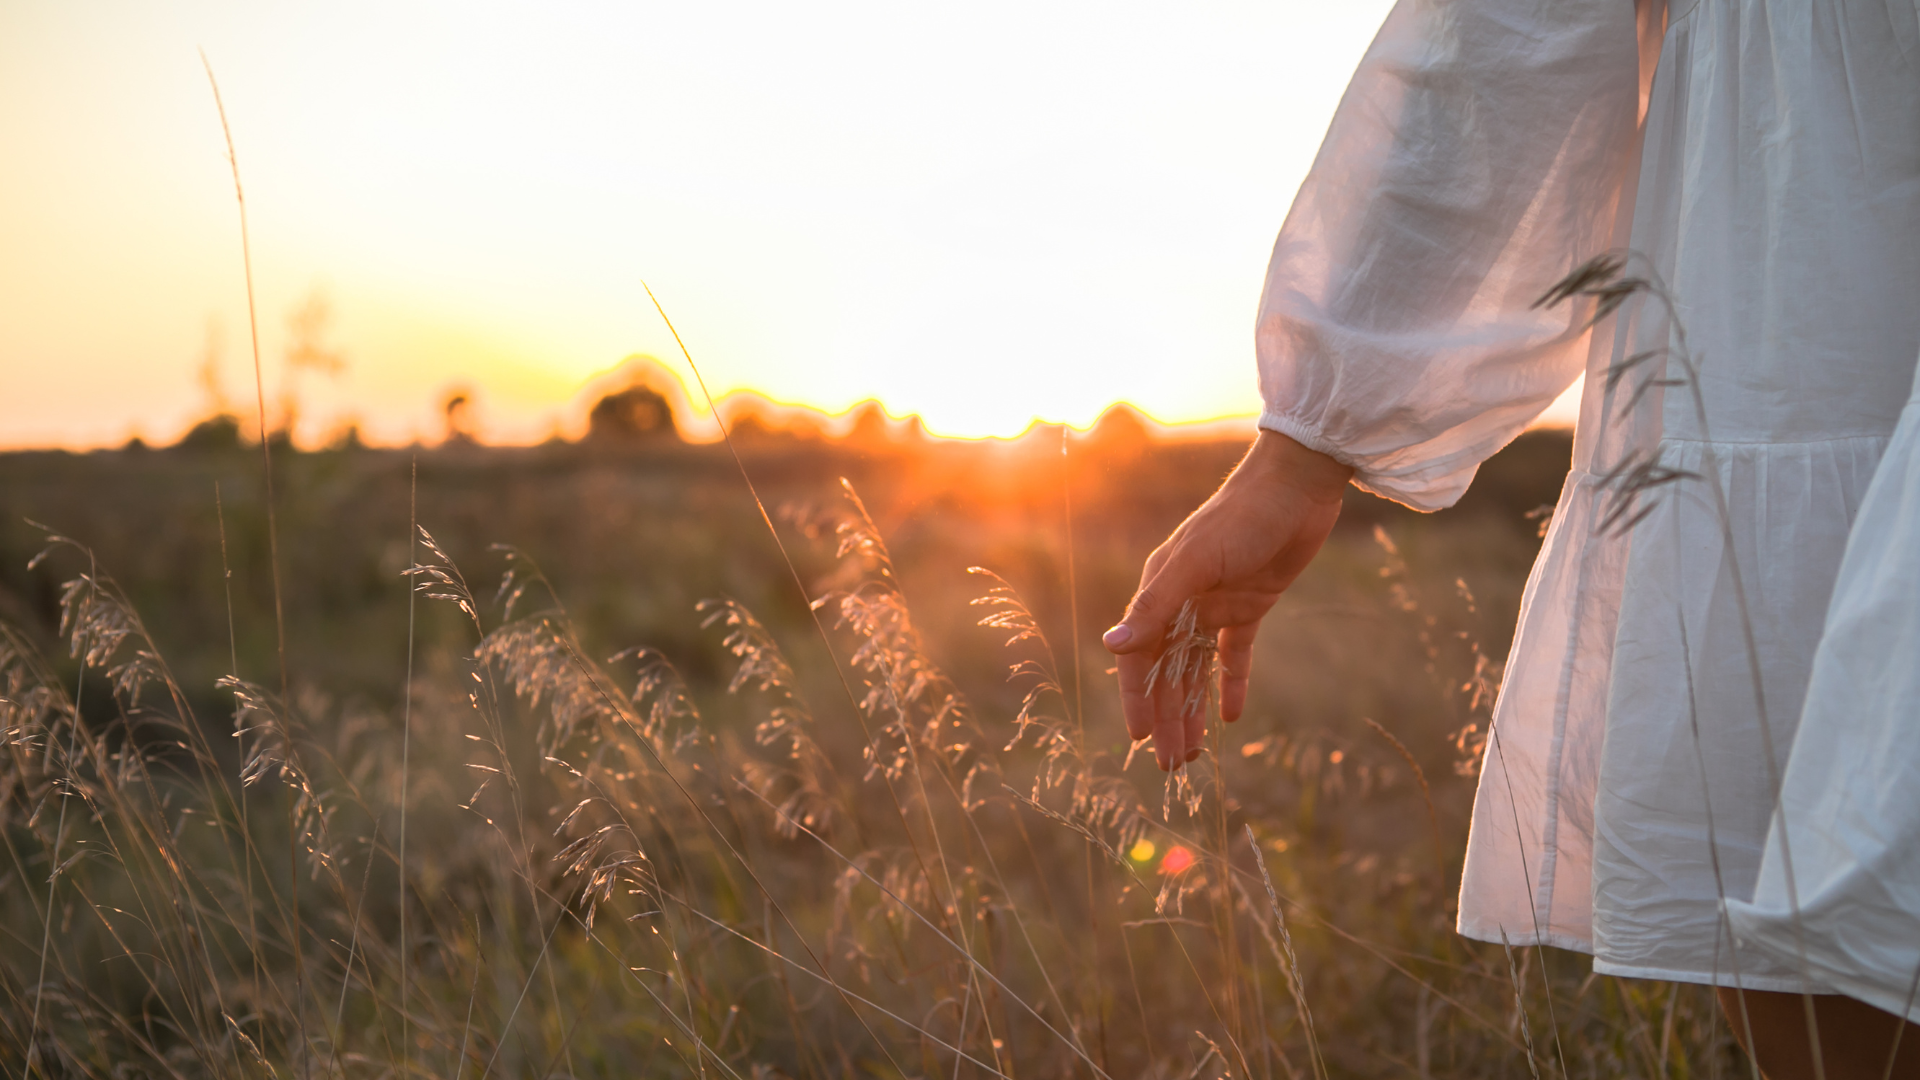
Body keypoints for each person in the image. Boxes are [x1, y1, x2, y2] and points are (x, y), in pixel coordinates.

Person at [1101, 1, 1920, 1077]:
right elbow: (1514, 30)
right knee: (1823, 985)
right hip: (1808, 283)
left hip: (1802, 288)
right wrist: (1304, 449)